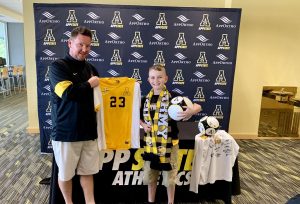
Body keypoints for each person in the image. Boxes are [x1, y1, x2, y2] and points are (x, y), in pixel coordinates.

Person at [49, 26, 100, 204]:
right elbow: (68, 93)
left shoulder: (91, 68)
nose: (84, 50)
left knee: (88, 172)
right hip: (66, 133)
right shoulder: (57, 67)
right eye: (80, 45)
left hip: (88, 131)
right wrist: (89, 84)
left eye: (88, 46)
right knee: (65, 173)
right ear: (70, 43)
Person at [140, 65, 202, 204]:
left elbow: (198, 106)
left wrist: (191, 111)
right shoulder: (145, 99)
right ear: (148, 79)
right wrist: (143, 125)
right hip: (151, 145)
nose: (156, 80)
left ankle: (171, 201)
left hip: (170, 144)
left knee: (170, 179)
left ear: (166, 78)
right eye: (153, 77)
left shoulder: (174, 97)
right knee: (151, 177)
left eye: (160, 77)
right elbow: (137, 117)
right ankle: (151, 200)